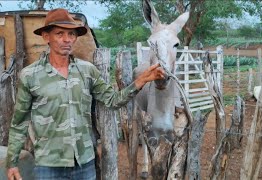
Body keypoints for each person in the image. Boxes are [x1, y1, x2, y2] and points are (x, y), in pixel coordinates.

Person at [6, 8, 165, 180]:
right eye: (60, 33)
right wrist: (12, 163)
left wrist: (141, 81)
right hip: (48, 165)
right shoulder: (30, 75)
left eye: (72, 34)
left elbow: (112, 100)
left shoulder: (87, 71)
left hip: (84, 164)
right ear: (46, 37)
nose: (67, 39)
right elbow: (19, 123)